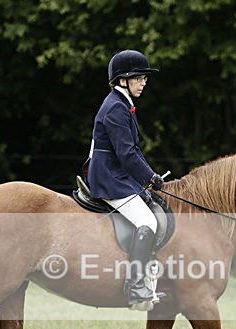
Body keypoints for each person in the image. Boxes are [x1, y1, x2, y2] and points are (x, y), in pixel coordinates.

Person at [87, 50, 165, 311]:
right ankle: (136, 285)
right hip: (109, 177)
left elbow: (133, 150)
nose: (144, 83)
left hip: (116, 173)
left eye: (145, 78)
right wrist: (150, 176)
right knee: (147, 221)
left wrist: (148, 176)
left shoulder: (122, 104)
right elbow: (127, 153)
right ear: (123, 80)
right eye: (139, 78)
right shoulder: (115, 108)